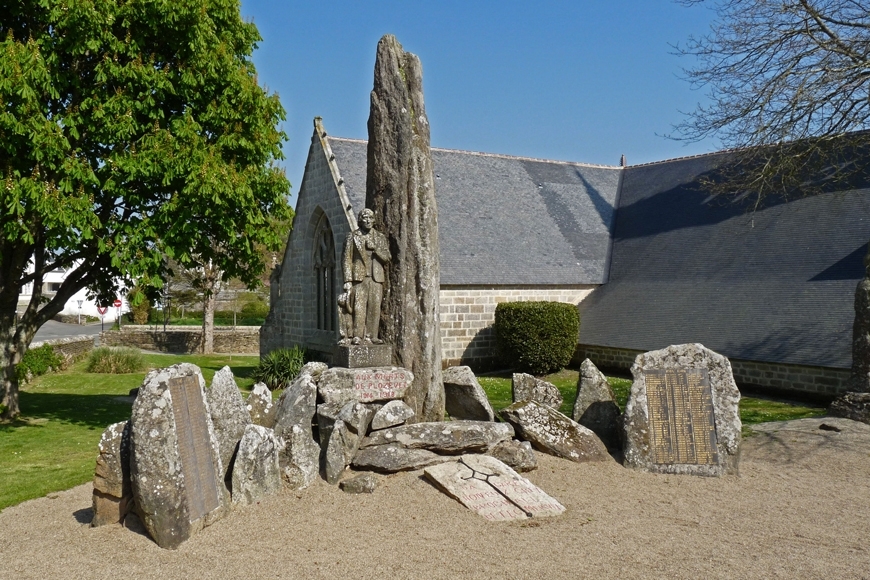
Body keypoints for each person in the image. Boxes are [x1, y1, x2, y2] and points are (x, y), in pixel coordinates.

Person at [340, 208, 390, 345]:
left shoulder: (380, 238)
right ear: (360, 220)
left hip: (376, 277)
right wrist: (347, 280)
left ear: (374, 220)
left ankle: (372, 336)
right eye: (365, 218)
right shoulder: (352, 236)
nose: (368, 220)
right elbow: (346, 259)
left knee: (374, 307)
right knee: (359, 307)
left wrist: (375, 249)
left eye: (370, 218)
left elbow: (387, 257)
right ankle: (357, 335)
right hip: (359, 277)